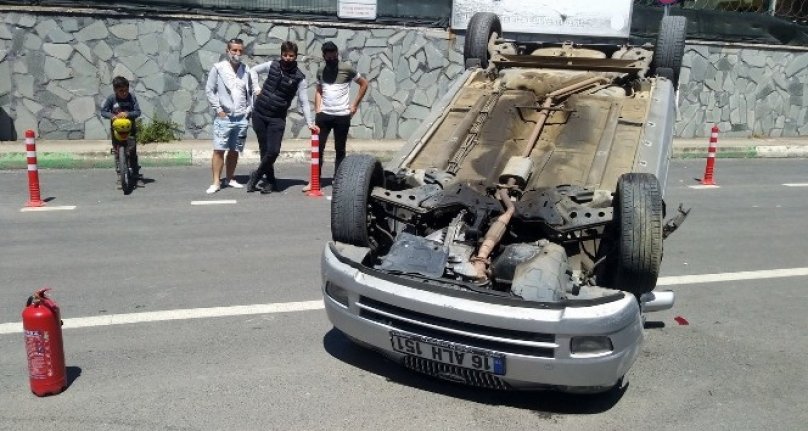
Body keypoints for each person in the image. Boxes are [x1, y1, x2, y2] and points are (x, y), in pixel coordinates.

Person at [247, 41, 319, 194]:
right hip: (259, 113)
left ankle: (257, 175)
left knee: (273, 151)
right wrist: (256, 88)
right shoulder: (272, 65)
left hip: (276, 118)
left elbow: (304, 101)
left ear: (296, 56)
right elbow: (253, 70)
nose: (287, 58)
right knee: (264, 150)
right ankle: (271, 182)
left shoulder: (300, 77)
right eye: (284, 55)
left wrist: (309, 122)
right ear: (281, 55)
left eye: (291, 55)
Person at [304, 41, 369, 192]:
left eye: (334, 57)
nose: (332, 60)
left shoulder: (347, 69)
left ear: (337, 55)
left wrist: (354, 106)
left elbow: (364, 84)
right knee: (317, 149)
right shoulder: (321, 70)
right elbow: (319, 89)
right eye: (329, 58)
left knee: (340, 149)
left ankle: (338, 180)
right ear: (324, 56)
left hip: (342, 116)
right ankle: (314, 182)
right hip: (324, 116)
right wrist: (318, 108)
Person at [204, 38, 253, 194]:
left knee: (234, 150)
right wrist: (218, 109)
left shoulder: (246, 70)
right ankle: (216, 182)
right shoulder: (218, 68)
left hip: (241, 117)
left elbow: (251, 91)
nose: (237, 54)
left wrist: (249, 109)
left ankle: (230, 178)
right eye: (234, 50)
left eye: (240, 51)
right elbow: (209, 90)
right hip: (224, 117)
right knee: (219, 149)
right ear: (228, 51)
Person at [99, 76, 143, 187]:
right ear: (115, 90)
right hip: (116, 132)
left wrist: (128, 114)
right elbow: (103, 112)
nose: (124, 93)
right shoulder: (111, 99)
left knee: (132, 152)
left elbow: (137, 112)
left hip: (130, 130)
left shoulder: (131, 98)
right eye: (121, 91)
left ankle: (136, 175)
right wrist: (112, 116)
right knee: (118, 153)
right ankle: (120, 175)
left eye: (126, 90)